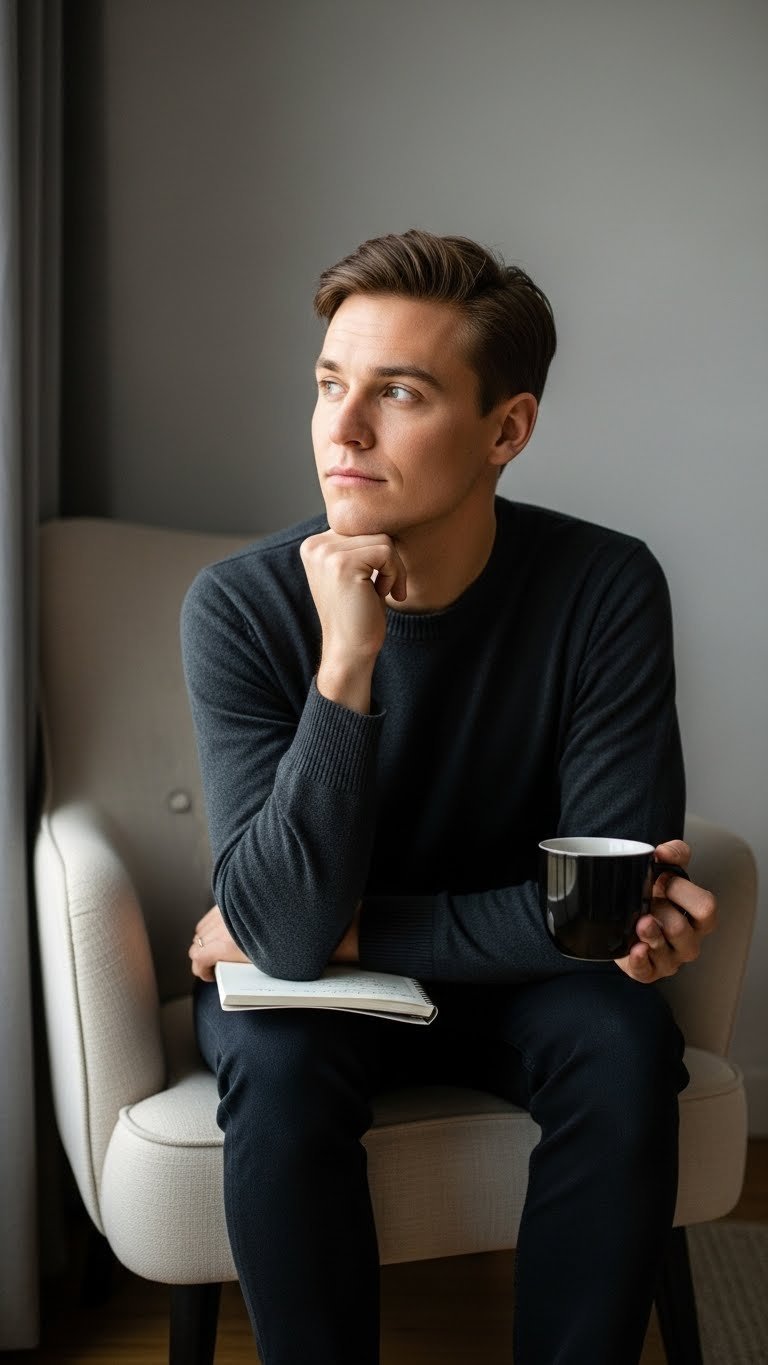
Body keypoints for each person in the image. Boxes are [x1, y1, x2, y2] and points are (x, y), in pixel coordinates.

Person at [181, 229, 717, 1365]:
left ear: (506, 429)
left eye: (400, 393)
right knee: (273, 1068)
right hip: (326, 991)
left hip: (523, 986)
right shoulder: (238, 606)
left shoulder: (603, 586)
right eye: (331, 384)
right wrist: (345, 665)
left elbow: (599, 915)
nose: (343, 426)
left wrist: (354, 928)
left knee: (620, 1044)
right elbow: (281, 932)